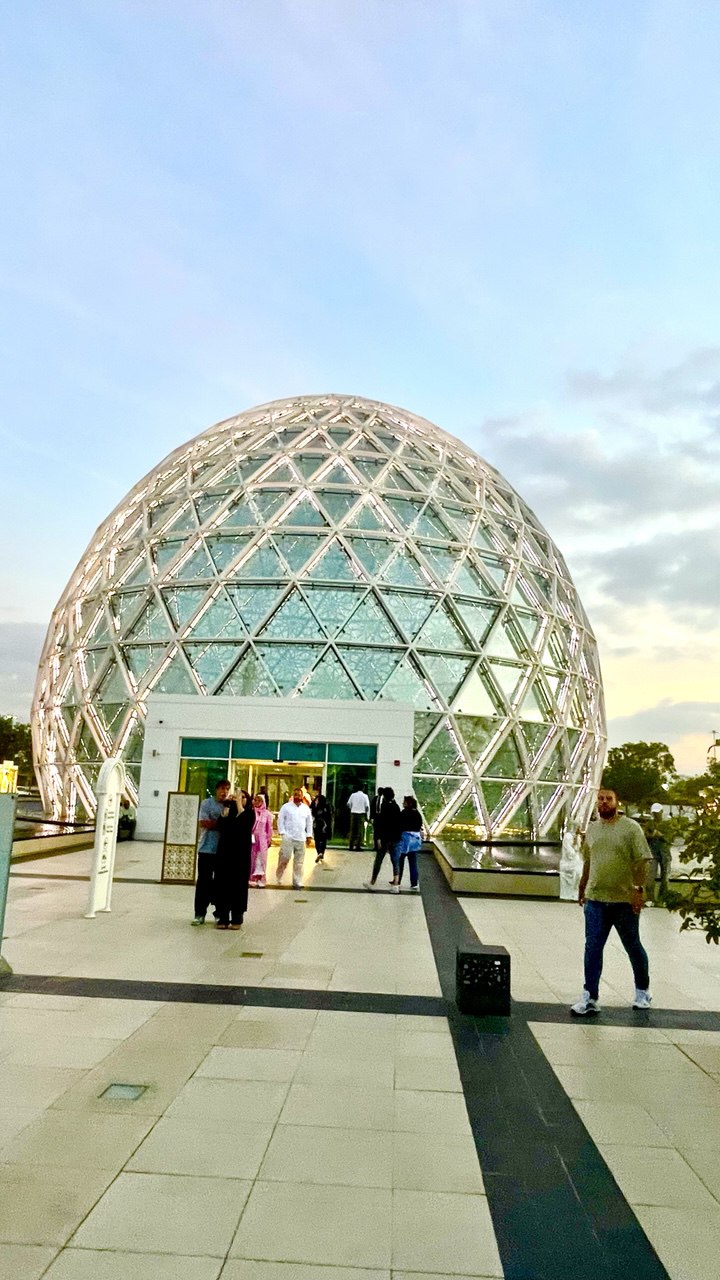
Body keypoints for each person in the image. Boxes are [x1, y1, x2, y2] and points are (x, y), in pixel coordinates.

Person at [571, 786, 653, 1016]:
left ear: (617, 802)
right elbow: (588, 860)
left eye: (608, 799)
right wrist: (582, 885)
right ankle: (590, 996)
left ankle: (642, 991)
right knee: (593, 947)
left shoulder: (630, 828)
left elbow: (642, 861)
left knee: (632, 946)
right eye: (600, 799)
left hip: (623, 901)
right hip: (596, 899)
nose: (604, 802)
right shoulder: (593, 829)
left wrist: (638, 890)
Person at [193, 779, 231, 925]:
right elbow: (204, 823)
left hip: (223, 851)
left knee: (221, 883)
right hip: (206, 849)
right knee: (203, 881)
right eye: (222, 789)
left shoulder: (230, 805)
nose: (224, 792)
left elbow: (232, 826)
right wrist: (223, 823)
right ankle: (199, 913)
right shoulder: (206, 804)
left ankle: (220, 913)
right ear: (216, 790)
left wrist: (221, 824)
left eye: (227, 789)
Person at [215, 790, 255, 928]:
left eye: (243, 797)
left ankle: (237, 917)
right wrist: (226, 808)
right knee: (222, 885)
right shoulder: (229, 812)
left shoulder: (249, 813)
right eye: (238, 797)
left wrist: (239, 804)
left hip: (241, 857)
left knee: (238, 886)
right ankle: (223, 916)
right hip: (225, 855)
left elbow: (244, 824)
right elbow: (220, 826)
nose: (240, 799)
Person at [363, 787, 401, 889]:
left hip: (385, 838)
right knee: (395, 861)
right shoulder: (396, 807)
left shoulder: (384, 808)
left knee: (379, 859)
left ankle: (372, 881)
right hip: (395, 838)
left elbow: (380, 824)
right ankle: (396, 883)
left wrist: (378, 838)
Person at [277, 787, 314, 890]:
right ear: (293, 796)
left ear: (302, 796)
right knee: (284, 858)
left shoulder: (306, 808)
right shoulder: (286, 807)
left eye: (299, 794)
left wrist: (309, 835)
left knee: (299, 862)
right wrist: (283, 833)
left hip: (300, 838)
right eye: (295, 794)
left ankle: (297, 881)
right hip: (288, 837)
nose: (297, 796)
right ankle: (279, 875)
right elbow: (280, 820)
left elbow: (309, 823)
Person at [393, 795, 424, 893]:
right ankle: (414, 882)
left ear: (407, 803)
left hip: (404, 839)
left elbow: (398, 825)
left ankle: (398, 880)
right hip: (414, 841)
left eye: (404, 802)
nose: (403, 803)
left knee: (400, 861)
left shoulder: (404, 813)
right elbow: (419, 825)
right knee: (413, 862)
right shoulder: (417, 814)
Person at [644, 804, 671, 902]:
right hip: (653, 854)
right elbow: (645, 836)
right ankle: (650, 900)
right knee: (650, 878)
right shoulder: (649, 824)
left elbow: (670, 839)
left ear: (661, 812)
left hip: (665, 854)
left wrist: (660, 835)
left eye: (657, 812)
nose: (656, 815)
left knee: (665, 879)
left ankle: (662, 899)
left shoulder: (667, 824)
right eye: (654, 813)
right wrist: (652, 835)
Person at [250, 794, 273, 886]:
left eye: (259, 800)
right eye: (255, 800)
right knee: (252, 858)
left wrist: (269, 839)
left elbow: (269, 828)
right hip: (252, 838)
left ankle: (261, 878)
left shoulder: (267, 814)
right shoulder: (251, 812)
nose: (257, 802)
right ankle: (252, 878)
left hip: (262, 839)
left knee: (261, 859)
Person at [311, 791, 333, 863]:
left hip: (319, 825)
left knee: (318, 839)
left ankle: (319, 853)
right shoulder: (327, 807)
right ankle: (321, 853)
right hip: (324, 825)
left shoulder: (319, 808)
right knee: (323, 840)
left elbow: (313, 813)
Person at [347, 783, 370, 850]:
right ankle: (358, 846)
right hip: (361, 814)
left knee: (352, 830)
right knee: (360, 830)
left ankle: (351, 845)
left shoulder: (353, 795)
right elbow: (367, 807)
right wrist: (366, 815)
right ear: (363, 788)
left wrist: (352, 808)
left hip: (353, 813)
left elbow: (348, 804)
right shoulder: (365, 796)